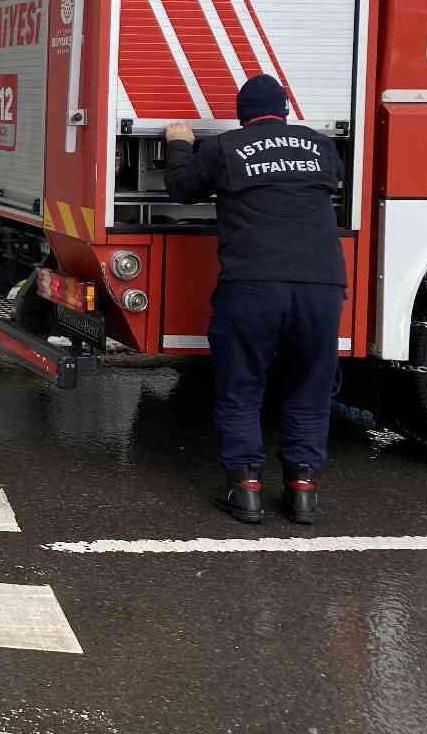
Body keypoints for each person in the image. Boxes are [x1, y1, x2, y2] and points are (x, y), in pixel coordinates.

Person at [164, 73, 346, 525]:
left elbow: (182, 188)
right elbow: (336, 180)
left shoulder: (226, 148)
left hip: (252, 285)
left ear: (242, 115)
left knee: (242, 385)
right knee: (310, 385)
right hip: (321, 287)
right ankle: (302, 491)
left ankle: (245, 489)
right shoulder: (320, 146)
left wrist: (180, 143)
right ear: (285, 110)